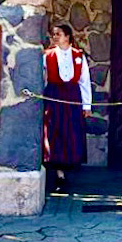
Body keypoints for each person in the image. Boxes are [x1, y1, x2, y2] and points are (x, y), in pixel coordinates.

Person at [43, 23, 92, 193]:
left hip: (72, 96)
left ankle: (70, 165)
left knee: (72, 131)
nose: (55, 37)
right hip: (54, 95)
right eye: (54, 34)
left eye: (59, 34)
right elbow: (43, 79)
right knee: (55, 132)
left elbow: (84, 81)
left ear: (67, 36)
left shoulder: (78, 56)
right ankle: (59, 174)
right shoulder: (48, 56)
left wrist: (87, 105)